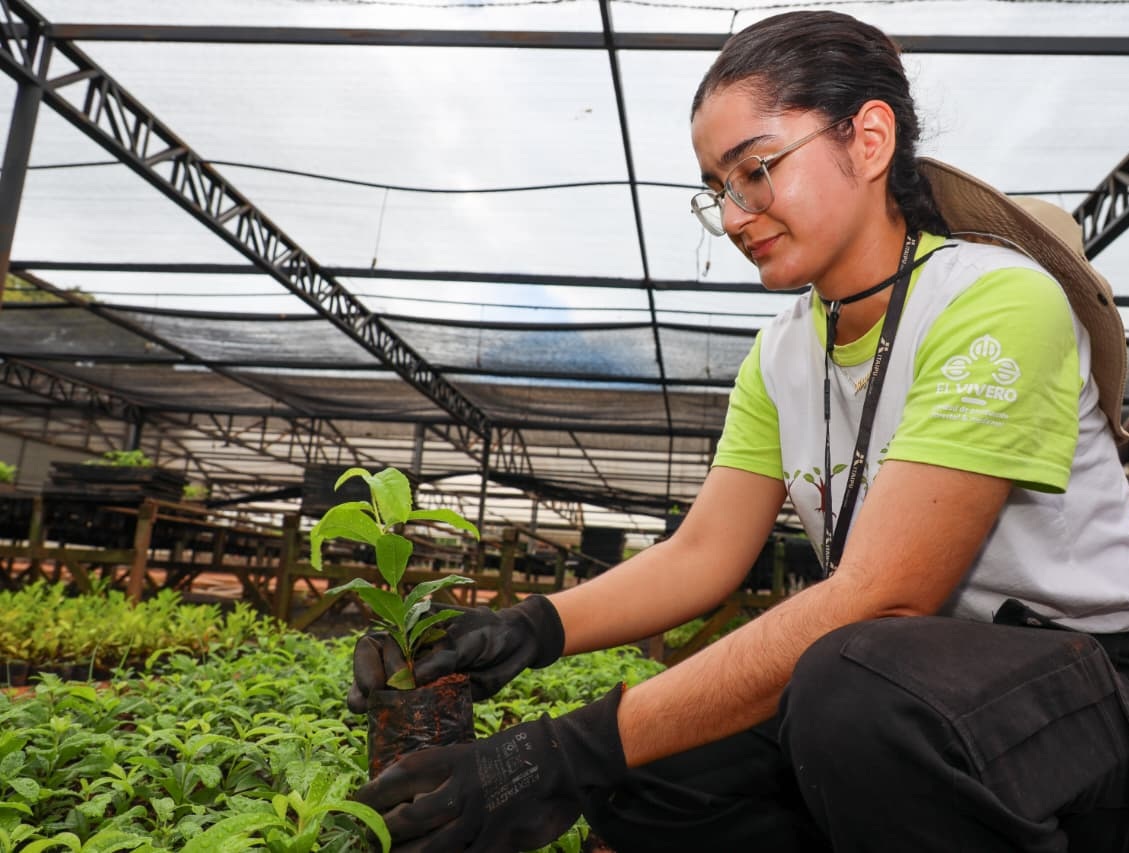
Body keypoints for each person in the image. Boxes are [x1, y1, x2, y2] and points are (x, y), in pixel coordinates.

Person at [350, 10, 1129, 852]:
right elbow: (703, 554)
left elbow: (882, 596)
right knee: (652, 770)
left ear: (868, 140)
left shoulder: (994, 300)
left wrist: (559, 751)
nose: (732, 215)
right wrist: (528, 627)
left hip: (1090, 686)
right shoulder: (784, 351)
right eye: (716, 188)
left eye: (754, 170)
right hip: (925, 684)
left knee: (849, 689)